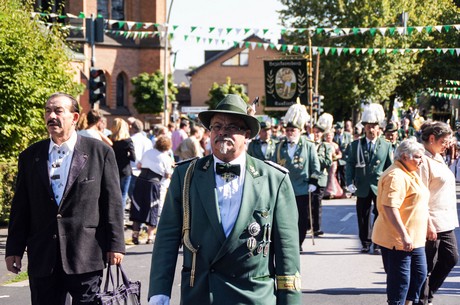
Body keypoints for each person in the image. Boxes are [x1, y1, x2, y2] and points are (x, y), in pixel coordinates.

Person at [148, 94, 301, 305]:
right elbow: (166, 238)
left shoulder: (274, 179)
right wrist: (159, 291)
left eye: (232, 127)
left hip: (252, 296)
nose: (222, 132)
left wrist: (290, 301)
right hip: (201, 295)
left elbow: (287, 252)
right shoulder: (186, 176)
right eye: (217, 126)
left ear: (246, 134)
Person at [5, 92, 125, 305]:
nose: (52, 116)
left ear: (75, 118)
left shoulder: (100, 152)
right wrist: (14, 248)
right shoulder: (31, 156)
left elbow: (112, 201)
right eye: (48, 111)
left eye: (58, 111)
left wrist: (116, 244)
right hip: (43, 255)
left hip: (85, 253)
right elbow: (21, 206)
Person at [372, 138, 429, 305]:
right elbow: (389, 207)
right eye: (418, 157)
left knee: (419, 275)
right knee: (400, 283)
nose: (421, 160)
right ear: (405, 156)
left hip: (415, 238)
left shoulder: (409, 172)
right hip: (398, 239)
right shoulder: (395, 175)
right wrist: (403, 235)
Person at [417, 121, 459, 305]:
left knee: (451, 258)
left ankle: (427, 293)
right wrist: (428, 223)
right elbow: (421, 194)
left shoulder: (437, 156)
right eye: (444, 141)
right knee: (427, 265)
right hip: (431, 220)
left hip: (445, 220)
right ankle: (421, 299)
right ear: (432, 138)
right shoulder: (423, 160)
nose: (447, 145)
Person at [272, 102, 321, 250]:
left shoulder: (309, 145)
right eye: (288, 130)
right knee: (286, 218)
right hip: (285, 188)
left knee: (301, 219)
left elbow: (315, 165)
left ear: (299, 131)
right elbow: (274, 165)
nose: (290, 133)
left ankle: (298, 243)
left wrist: (313, 181)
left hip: (302, 188)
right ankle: (289, 242)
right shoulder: (279, 146)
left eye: (293, 130)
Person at [346, 103, 393, 254]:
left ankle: (378, 242)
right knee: (363, 215)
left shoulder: (386, 145)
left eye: (374, 126)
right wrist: (349, 183)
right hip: (362, 186)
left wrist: (391, 185)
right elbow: (350, 165)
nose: (371, 129)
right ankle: (365, 242)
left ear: (379, 128)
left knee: (380, 215)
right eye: (368, 126)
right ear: (364, 127)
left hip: (379, 186)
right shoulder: (355, 145)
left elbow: (389, 167)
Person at [130, 135, 174, 245]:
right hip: (154, 183)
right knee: (153, 208)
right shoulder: (166, 158)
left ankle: (135, 235)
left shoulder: (149, 152)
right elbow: (168, 174)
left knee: (138, 206)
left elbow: (139, 165)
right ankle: (150, 236)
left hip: (141, 180)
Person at [309, 113, 334, 236]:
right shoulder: (308, 145)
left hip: (320, 178)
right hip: (309, 178)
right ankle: (308, 225)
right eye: (314, 132)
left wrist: (316, 158)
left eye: (318, 132)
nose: (316, 134)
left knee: (317, 203)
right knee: (307, 203)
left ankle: (317, 227)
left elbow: (328, 161)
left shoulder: (326, 146)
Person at [111, 118, 136, 211]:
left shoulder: (110, 139)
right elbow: (133, 157)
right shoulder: (127, 141)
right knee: (123, 194)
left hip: (113, 169)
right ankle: (120, 218)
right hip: (125, 170)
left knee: (114, 193)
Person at [324, 129, 344, 199]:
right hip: (325, 163)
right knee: (326, 176)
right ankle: (325, 192)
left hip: (333, 163)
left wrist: (335, 156)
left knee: (332, 175)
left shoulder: (335, 145)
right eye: (327, 135)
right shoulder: (323, 144)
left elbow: (340, 154)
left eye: (330, 135)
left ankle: (333, 191)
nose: (329, 137)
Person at [333, 121, 352, 189]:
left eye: (341, 128)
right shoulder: (334, 137)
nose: (339, 130)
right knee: (337, 173)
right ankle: (338, 187)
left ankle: (344, 186)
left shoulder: (347, 135)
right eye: (338, 128)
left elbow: (350, 145)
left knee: (343, 172)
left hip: (345, 157)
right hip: (337, 157)